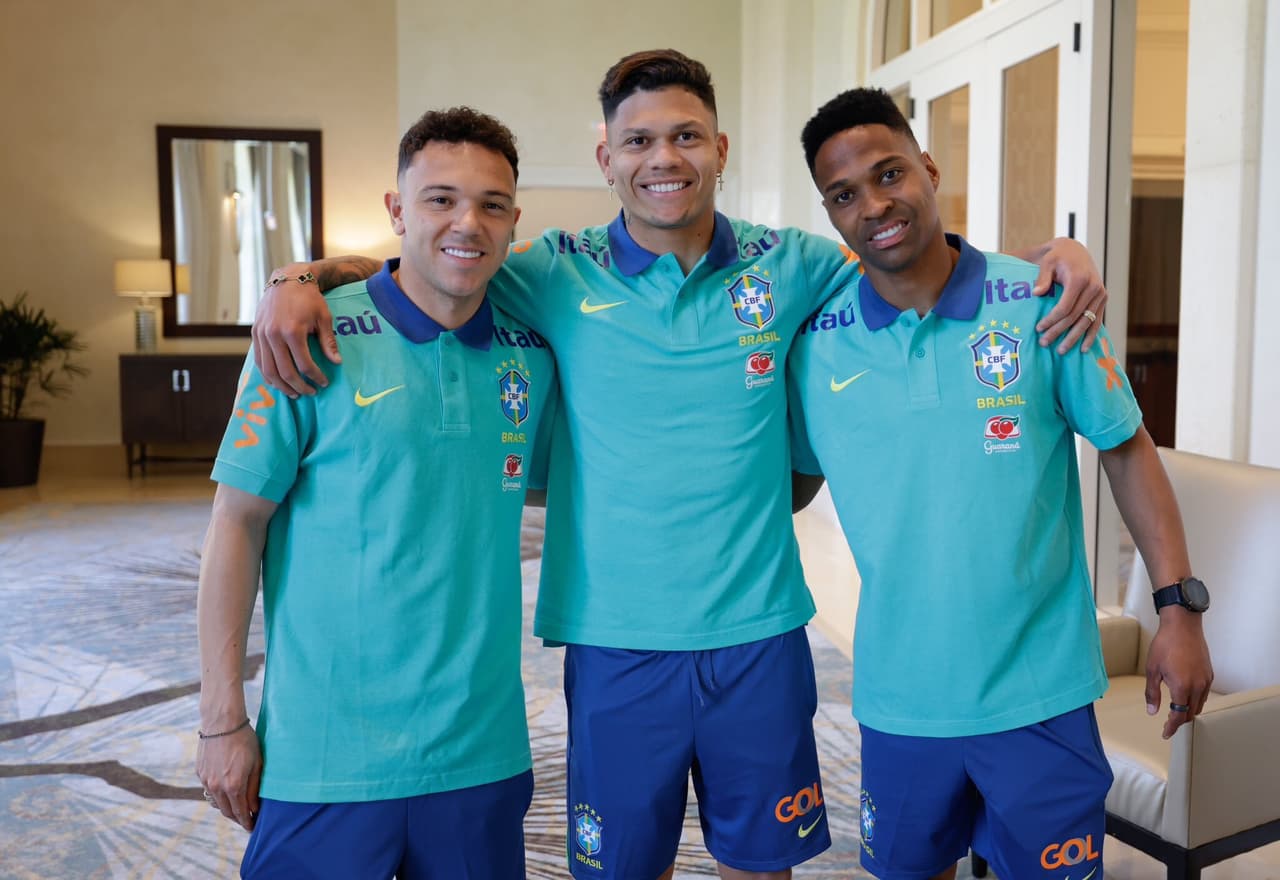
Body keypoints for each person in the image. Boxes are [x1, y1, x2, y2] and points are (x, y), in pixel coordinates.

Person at [249, 51, 1108, 880]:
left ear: (720, 149)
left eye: (687, 136)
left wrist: (1053, 257)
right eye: (639, 140)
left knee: (761, 867)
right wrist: (302, 276)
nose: (664, 158)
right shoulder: (552, 270)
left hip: (758, 635)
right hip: (615, 640)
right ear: (607, 160)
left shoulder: (794, 264)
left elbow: (905, 251)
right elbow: (431, 266)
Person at [787, 87, 1214, 880]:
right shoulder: (815, 345)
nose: (873, 205)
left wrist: (1178, 610)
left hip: (1040, 693)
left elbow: (1126, 448)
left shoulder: (1043, 302)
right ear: (830, 213)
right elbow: (785, 483)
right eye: (844, 195)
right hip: (901, 697)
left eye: (889, 174)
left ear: (929, 168)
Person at [195, 106, 556, 879]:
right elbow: (236, 524)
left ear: (513, 222)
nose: (467, 223)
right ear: (397, 210)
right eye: (439, 199)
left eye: (492, 204)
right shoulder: (303, 338)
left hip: (479, 753)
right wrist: (222, 722)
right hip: (324, 754)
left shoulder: (533, 350)